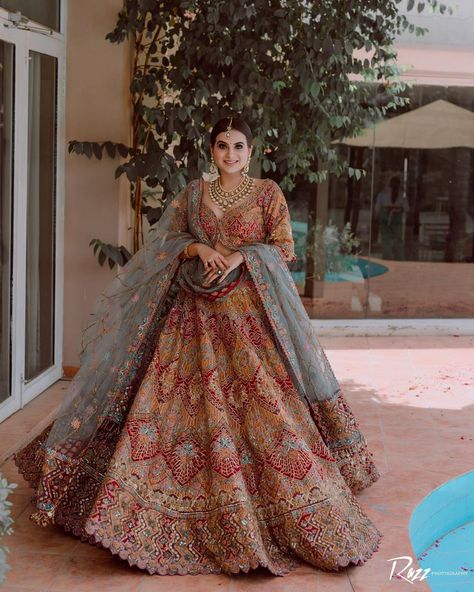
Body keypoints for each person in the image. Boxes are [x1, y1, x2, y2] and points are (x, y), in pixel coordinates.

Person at [14, 116, 382, 576]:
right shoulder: (192, 194)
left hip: (249, 314)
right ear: (212, 150)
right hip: (191, 313)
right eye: (222, 146)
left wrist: (239, 256)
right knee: (165, 401)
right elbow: (165, 239)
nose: (230, 154)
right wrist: (197, 250)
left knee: (266, 406)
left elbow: (284, 248)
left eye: (239, 146)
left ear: (252, 151)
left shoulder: (268, 194)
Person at [375, 176, 410, 260]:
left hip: (392, 217)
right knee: (392, 239)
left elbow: (407, 208)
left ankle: (394, 258)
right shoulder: (386, 194)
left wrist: (396, 209)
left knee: (392, 239)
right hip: (389, 217)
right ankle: (393, 258)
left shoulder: (400, 195)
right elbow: (407, 208)